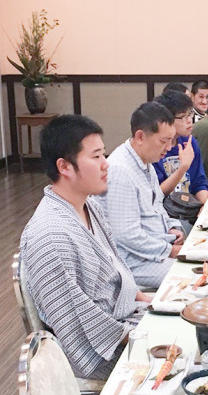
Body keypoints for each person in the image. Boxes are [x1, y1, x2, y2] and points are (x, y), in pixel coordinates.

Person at [21, 115, 152, 380]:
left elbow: (115, 269)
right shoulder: (50, 235)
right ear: (64, 167)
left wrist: (145, 299)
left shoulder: (88, 205)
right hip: (102, 349)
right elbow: (76, 327)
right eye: (96, 157)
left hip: (125, 320)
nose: (106, 164)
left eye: (103, 154)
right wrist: (144, 335)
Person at [102, 102, 185, 289]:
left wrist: (171, 226)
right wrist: (170, 250)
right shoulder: (120, 171)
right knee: (190, 275)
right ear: (140, 137)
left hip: (154, 249)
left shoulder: (145, 161)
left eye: (171, 140)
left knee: (204, 260)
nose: (169, 147)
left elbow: (157, 205)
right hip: (133, 262)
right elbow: (126, 235)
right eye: (164, 141)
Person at [153, 90, 208, 203]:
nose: (189, 121)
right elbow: (157, 194)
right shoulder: (155, 149)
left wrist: (204, 207)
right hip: (164, 209)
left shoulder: (189, 142)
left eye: (190, 114)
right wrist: (183, 167)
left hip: (189, 206)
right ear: (167, 120)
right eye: (183, 117)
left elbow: (199, 183)